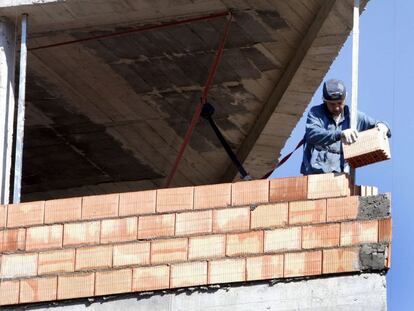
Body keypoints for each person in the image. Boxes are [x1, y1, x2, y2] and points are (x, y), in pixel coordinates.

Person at [300, 78, 391, 175]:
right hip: (315, 173)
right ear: (324, 101)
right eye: (332, 104)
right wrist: (340, 134)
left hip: (340, 174)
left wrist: (383, 127)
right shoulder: (316, 113)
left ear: (345, 98)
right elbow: (313, 134)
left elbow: (379, 124)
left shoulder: (354, 117)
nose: (336, 107)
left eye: (340, 103)